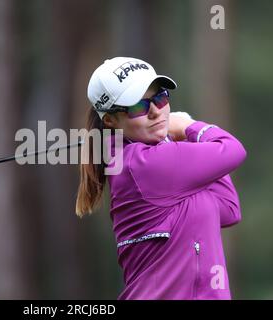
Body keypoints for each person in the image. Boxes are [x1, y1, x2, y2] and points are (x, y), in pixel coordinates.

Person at [75, 57, 247, 300]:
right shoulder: (141, 164)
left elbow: (229, 209)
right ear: (111, 120)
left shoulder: (161, 163)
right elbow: (232, 149)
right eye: (138, 107)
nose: (156, 111)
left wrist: (184, 139)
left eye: (160, 97)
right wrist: (190, 127)